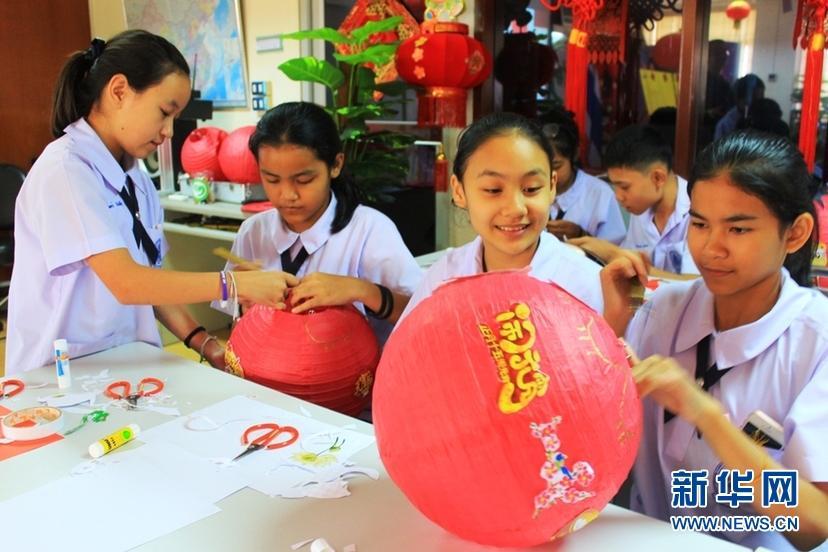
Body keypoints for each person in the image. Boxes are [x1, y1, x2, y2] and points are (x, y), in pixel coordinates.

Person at [6, 31, 289, 374]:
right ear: (119, 91)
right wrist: (236, 284)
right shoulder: (65, 171)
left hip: (126, 367)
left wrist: (204, 342)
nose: (169, 131)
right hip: (61, 377)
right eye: (164, 112)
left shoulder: (136, 177)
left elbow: (151, 278)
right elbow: (128, 283)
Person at [602, 131, 828, 551]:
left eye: (738, 229)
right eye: (700, 224)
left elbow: (815, 524)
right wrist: (611, 324)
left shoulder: (817, 342)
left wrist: (706, 414)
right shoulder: (661, 309)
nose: (710, 249)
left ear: (795, 233)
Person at [213, 102, 422, 341]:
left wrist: (362, 291)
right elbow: (229, 308)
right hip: (267, 367)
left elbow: (422, 312)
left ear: (335, 165)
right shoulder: (253, 230)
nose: (287, 195)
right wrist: (242, 301)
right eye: (271, 179)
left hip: (352, 374)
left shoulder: (370, 230)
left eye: (304, 180)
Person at [399, 112, 603, 322]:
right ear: (459, 192)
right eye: (493, 190)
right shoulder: (443, 278)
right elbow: (406, 349)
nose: (516, 209)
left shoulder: (588, 284)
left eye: (531, 188)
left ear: (551, 186)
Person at [571, 125, 698, 274]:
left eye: (624, 187)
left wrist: (613, 254)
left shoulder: (698, 211)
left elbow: (697, 286)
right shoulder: (642, 208)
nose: (618, 196)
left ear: (658, 178)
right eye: (615, 186)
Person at [539, 107, 625, 244]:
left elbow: (616, 252)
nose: (549, 175)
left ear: (575, 155)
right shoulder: (527, 190)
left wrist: (581, 235)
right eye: (540, 168)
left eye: (556, 166)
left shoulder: (599, 193)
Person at [714, 73, 764, 140]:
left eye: (761, 98)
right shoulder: (725, 124)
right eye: (755, 98)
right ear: (740, 99)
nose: (759, 103)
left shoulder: (763, 119)